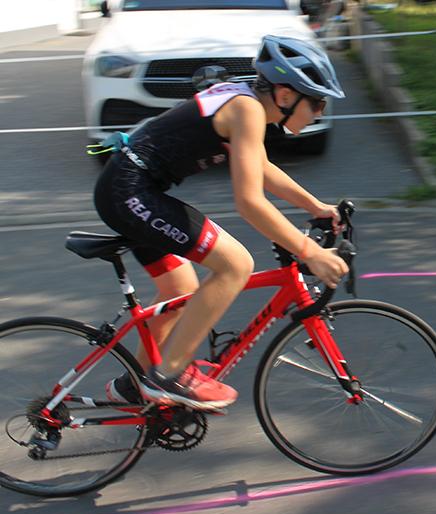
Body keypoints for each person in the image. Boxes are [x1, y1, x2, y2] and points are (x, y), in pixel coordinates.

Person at [93, 35, 349, 410]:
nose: (320, 112)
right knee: (236, 265)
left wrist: (315, 206)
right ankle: (169, 376)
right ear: (284, 95)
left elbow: (259, 167)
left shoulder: (246, 102)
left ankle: (134, 384)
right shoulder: (248, 110)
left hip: (130, 187)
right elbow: (249, 202)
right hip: (130, 191)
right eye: (316, 101)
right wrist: (310, 252)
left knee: (179, 292)